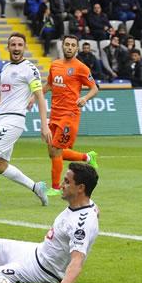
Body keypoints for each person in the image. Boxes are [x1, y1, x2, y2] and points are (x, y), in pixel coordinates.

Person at [0, 33, 51, 209]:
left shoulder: (30, 69)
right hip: (2, 119)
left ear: (24, 48)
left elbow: (40, 97)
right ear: (7, 48)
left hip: (14, 121)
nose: (16, 48)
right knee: (0, 164)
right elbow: (2, 93)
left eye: (19, 45)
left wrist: (44, 125)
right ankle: (36, 187)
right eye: (13, 45)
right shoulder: (6, 68)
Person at [41, 35, 99, 196]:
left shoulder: (81, 67)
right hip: (55, 114)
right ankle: (87, 157)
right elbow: (49, 85)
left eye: (73, 45)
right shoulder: (55, 65)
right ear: (63, 46)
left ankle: (55, 188)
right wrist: (34, 97)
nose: (69, 47)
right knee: (53, 152)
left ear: (76, 49)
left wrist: (85, 98)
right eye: (67, 44)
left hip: (70, 114)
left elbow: (94, 88)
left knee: (56, 150)